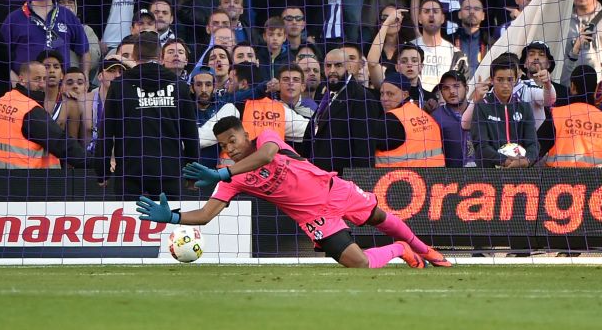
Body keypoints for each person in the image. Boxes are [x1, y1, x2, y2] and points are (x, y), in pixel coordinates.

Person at [138, 113, 452, 268]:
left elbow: (267, 156)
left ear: (245, 134)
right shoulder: (232, 177)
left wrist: (222, 171)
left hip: (332, 189)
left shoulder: (266, 138)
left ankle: (423, 248)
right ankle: (401, 249)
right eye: (222, 146)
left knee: (379, 216)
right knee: (360, 265)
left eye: (232, 140)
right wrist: (173, 216)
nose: (229, 148)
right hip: (314, 218)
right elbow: (207, 214)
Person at [95, 31, 199, 197]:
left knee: (128, 222)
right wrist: (193, 174)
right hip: (168, 172)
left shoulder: (120, 86)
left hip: (130, 173)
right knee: (169, 222)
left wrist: (102, 171)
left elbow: (106, 132)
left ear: (135, 54)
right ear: (160, 55)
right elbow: (191, 134)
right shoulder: (179, 86)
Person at [0, 62, 94, 170]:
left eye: (44, 79)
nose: (42, 84)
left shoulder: (3, 101)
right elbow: (61, 143)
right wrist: (96, 164)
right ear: (22, 80)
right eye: (37, 79)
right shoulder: (29, 110)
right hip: (26, 181)